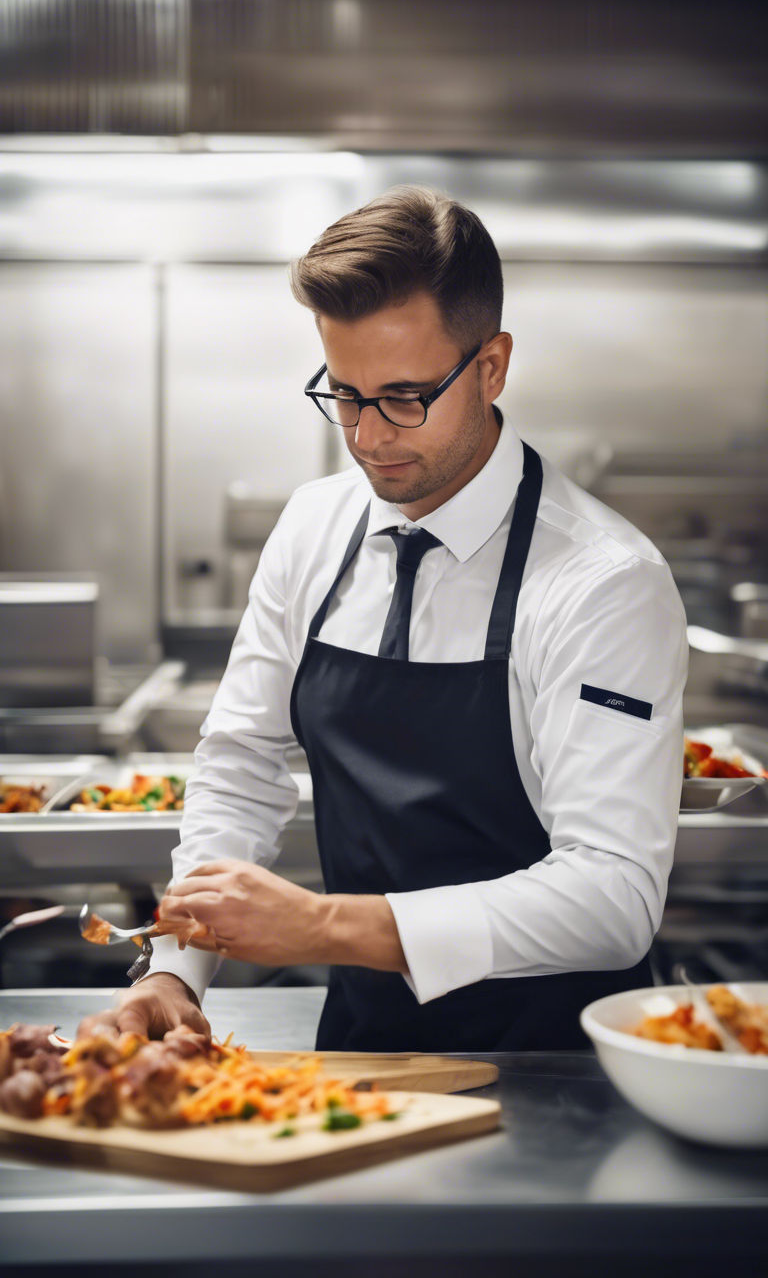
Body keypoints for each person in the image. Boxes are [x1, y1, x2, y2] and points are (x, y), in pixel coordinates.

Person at [80, 186, 687, 1052]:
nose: (368, 437)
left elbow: (613, 899)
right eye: (345, 394)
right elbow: (243, 763)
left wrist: (325, 926)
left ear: (492, 367)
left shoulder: (604, 580)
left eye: (405, 397)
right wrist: (176, 967)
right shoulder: (312, 527)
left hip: (558, 1072)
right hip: (362, 1055)